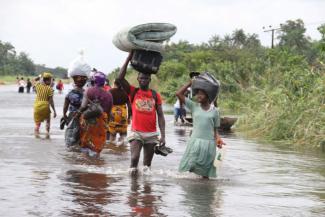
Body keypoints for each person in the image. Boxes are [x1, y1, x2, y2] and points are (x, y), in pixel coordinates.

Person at [118, 52, 166, 175]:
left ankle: (146, 192)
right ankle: (133, 191)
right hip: (136, 132)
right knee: (134, 159)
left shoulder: (155, 95)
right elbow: (120, 78)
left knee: (147, 166)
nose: (143, 80)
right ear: (138, 79)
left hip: (151, 134)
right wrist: (129, 58)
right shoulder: (133, 91)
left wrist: (163, 136)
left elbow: (160, 116)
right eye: (141, 78)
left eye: (146, 78)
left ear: (149, 79)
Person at [176, 79, 224, 179]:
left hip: (209, 145)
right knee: (189, 167)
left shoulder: (215, 112)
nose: (199, 96)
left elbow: (215, 130)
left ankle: (203, 193)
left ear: (208, 95)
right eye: (197, 93)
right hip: (195, 143)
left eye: (202, 94)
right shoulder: (194, 106)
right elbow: (179, 94)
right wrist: (190, 82)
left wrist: (219, 140)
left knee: (206, 174)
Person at [78, 71, 113, 157]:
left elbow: (83, 106)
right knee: (96, 147)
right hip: (101, 123)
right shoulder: (109, 95)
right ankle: (95, 166)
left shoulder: (88, 91)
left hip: (88, 121)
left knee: (85, 145)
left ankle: (85, 165)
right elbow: (108, 112)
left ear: (94, 81)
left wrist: (76, 115)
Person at [33, 72, 57, 138]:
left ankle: (36, 135)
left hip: (37, 106)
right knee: (48, 121)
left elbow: (34, 81)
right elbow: (51, 101)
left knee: (37, 123)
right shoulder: (50, 89)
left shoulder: (38, 86)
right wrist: (54, 111)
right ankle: (47, 133)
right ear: (49, 80)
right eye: (51, 79)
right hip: (45, 106)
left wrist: (39, 77)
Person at [108, 78, 131, 145]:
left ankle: (112, 151)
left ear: (115, 83)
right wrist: (129, 117)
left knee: (112, 136)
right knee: (123, 136)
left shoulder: (110, 91)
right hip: (123, 116)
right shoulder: (125, 93)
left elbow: (107, 104)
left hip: (113, 115)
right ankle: (122, 150)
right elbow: (129, 107)